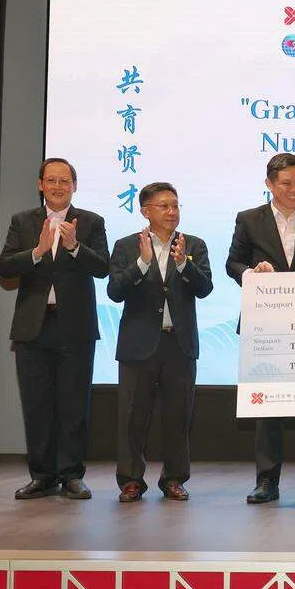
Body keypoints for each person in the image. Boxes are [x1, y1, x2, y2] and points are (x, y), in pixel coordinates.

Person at [226, 152, 295, 504]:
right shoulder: (249, 219)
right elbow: (233, 263)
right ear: (269, 184)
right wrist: (251, 273)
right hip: (266, 326)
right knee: (268, 409)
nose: (294, 189)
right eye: (287, 183)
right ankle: (266, 482)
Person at [0, 158, 109, 500]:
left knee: (74, 404)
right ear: (40, 184)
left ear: (74, 186)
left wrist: (74, 246)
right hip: (33, 326)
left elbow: (103, 267)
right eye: (51, 180)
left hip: (75, 326)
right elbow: (5, 266)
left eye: (65, 181)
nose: (58, 186)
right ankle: (42, 475)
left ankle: (71, 474)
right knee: (36, 405)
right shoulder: (22, 221)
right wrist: (37, 252)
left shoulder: (91, 221)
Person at [108, 182, 213, 502]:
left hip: (179, 344)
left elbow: (205, 288)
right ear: (145, 211)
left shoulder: (193, 244)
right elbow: (115, 291)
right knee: (132, 417)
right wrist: (141, 264)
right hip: (138, 344)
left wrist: (183, 264)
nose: (171, 212)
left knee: (178, 416)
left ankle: (174, 479)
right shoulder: (127, 246)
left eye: (175, 205)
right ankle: (131, 480)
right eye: (164, 206)